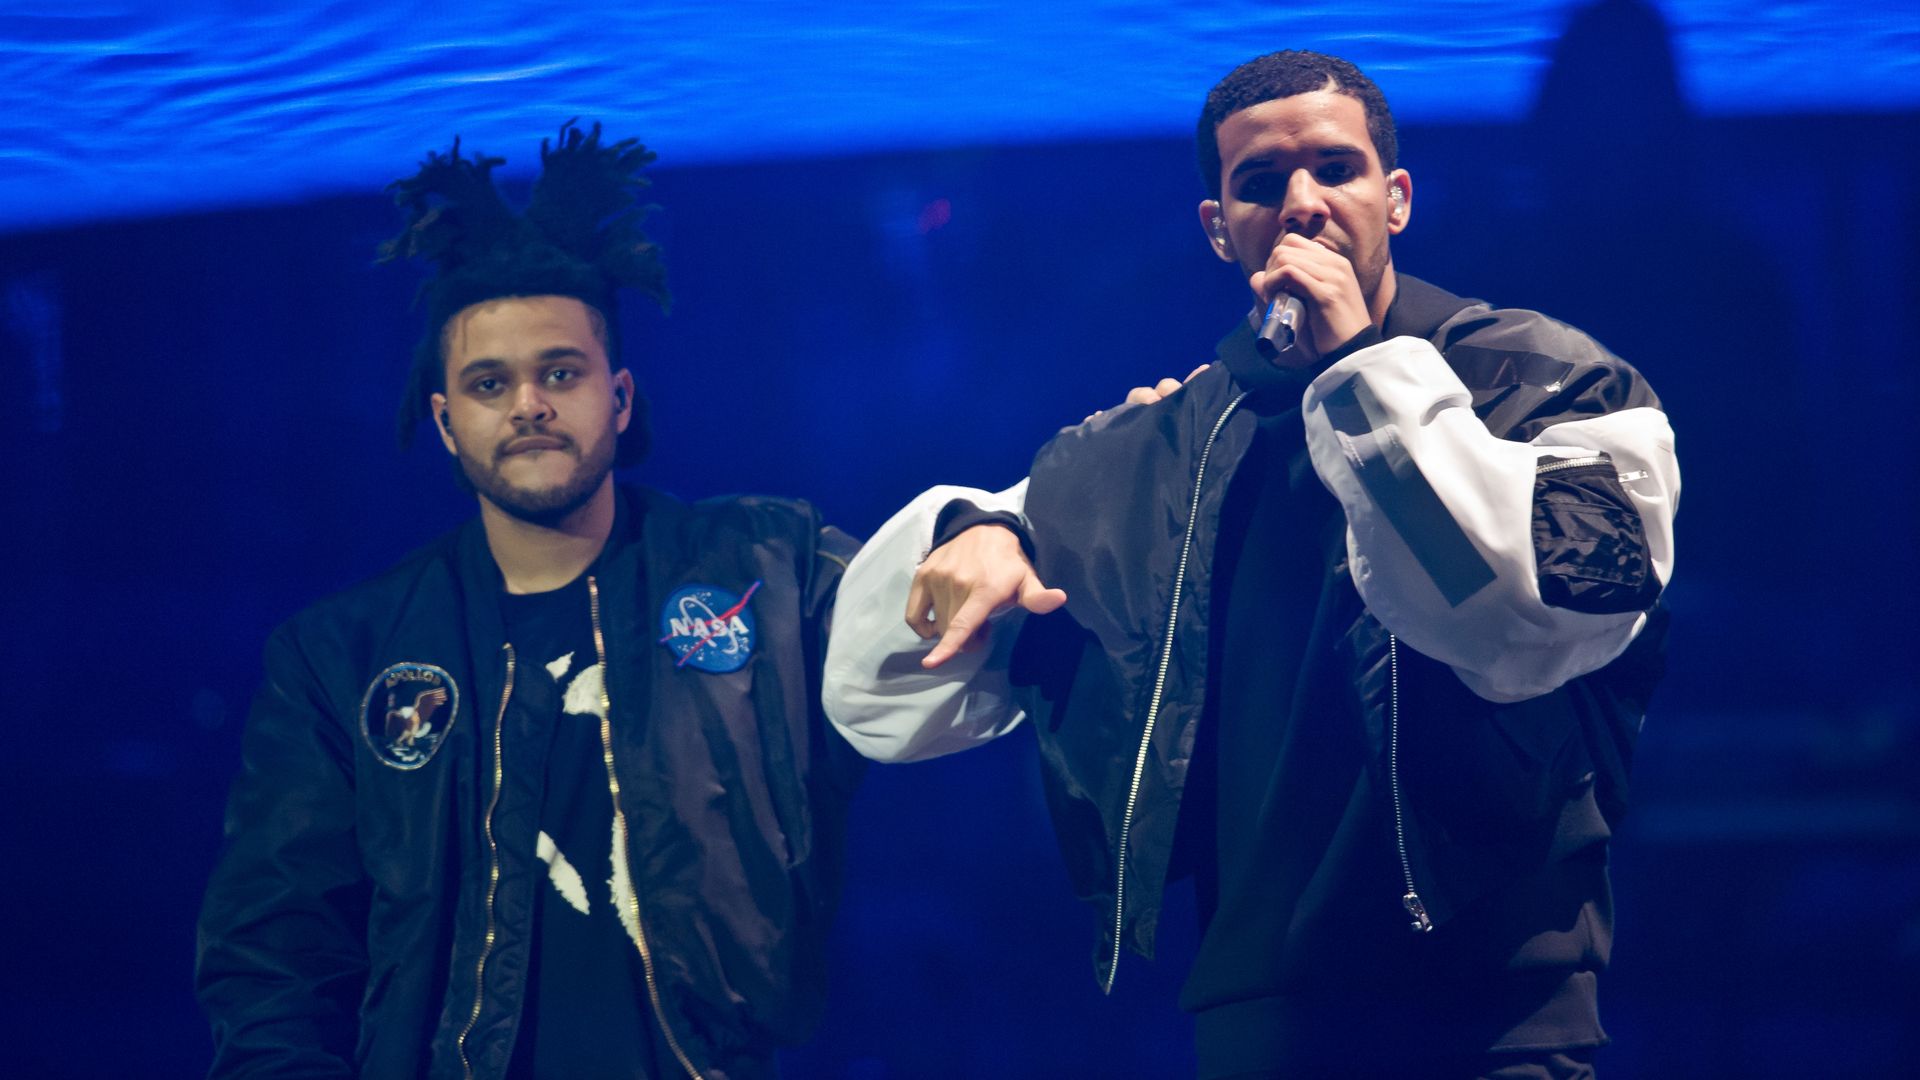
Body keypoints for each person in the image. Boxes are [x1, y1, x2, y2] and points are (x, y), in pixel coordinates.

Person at [822, 51, 1679, 1078]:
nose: (1303, 205)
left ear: (1396, 198)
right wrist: (978, 533)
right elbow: (869, 696)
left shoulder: (1545, 380)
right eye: (1261, 184)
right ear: (1219, 227)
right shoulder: (1164, 444)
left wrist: (1357, 371)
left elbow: (1498, 607)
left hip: (1495, 1012)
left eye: (1336, 169)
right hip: (1256, 1021)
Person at [195, 123, 863, 1080]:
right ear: (445, 422)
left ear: (620, 397)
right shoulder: (339, 656)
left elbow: (916, 606)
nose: (528, 406)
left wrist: (994, 528)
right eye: (488, 383)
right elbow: (273, 953)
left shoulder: (761, 562)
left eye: (560, 372)